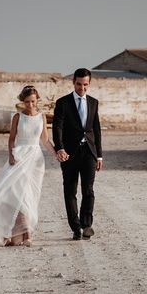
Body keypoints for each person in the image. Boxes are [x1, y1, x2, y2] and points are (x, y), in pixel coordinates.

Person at [0, 85, 57, 246]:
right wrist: (10, 155)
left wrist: (56, 154)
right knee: (13, 196)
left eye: (32, 101)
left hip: (36, 160)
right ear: (22, 102)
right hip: (18, 158)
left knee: (30, 197)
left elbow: (44, 140)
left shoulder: (42, 117)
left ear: (37, 100)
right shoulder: (18, 117)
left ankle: (26, 235)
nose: (30, 105)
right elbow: (11, 139)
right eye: (26, 102)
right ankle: (13, 234)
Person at [52, 68, 103, 240]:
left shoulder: (94, 103)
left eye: (85, 84)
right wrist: (59, 148)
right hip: (69, 154)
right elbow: (57, 127)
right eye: (79, 84)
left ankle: (86, 224)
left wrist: (99, 155)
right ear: (73, 82)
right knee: (70, 190)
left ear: (89, 84)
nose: (82, 88)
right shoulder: (63, 103)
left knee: (88, 190)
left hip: (89, 152)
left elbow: (96, 130)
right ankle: (75, 228)